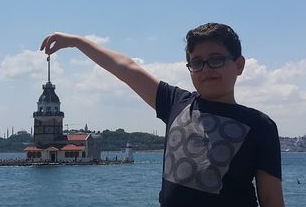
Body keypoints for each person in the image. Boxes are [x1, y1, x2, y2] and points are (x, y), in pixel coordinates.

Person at [40, 23, 285, 207]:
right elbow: (125, 68)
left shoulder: (260, 125)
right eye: (197, 62)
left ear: (239, 65)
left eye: (216, 60)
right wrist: (77, 41)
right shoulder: (177, 103)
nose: (206, 69)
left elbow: (271, 198)